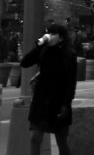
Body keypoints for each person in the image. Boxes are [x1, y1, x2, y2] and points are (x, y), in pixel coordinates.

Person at [20, 23, 78, 155]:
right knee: (35, 137)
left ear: (61, 38)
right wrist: (39, 47)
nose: (49, 36)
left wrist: (66, 104)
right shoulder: (44, 50)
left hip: (59, 101)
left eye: (53, 34)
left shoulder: (69, 55)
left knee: (61, 141)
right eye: (48, 33)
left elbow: (71, 82)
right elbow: (24, 63)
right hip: (41, 100)